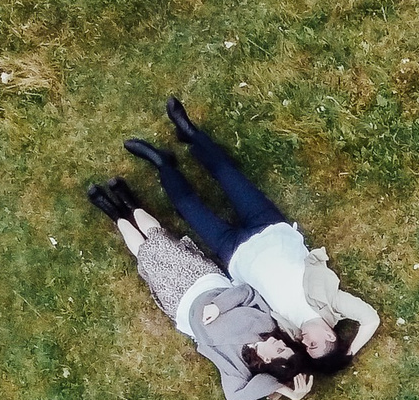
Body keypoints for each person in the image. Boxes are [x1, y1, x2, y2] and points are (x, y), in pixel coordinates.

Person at [123, 98, 379, 367]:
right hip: (268, 226)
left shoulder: (288, 333)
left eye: (307, 348)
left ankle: (161, 163)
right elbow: (371, 318)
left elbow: (276, 365)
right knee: (226, 174)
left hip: (231, 250)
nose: (305, 343)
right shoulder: (334, 303)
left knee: (187, 207)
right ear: (329, 334)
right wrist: (346, 354)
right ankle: (190, 132)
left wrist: (284, 390)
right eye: (313, 344)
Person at [85, 177, 315, 400]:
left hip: (180, 303)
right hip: (205, 281)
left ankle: (114, 213)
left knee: (146, 258)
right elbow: (246, 292)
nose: (280, 342)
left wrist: (283, 389)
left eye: (280, 349)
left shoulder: (237, 369)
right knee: (161, 242)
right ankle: (131, 205)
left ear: (268, 361)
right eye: (284, 345)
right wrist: (219, 306)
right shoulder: (265, 324)